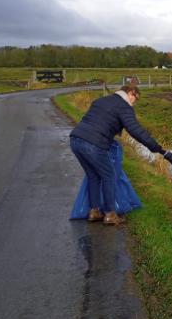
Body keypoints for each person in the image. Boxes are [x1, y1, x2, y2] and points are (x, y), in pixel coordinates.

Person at [70, 85, 165, 225]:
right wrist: (154, 146)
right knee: (109, 176)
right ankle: (110, 214)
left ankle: (94, 212)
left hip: (75, 140)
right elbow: (135, 130)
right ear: (131, 93)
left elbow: (95, 121)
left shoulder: (101, 100)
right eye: (135, 99)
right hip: (93, 144)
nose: (134, 103)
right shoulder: (124, 107)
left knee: (93, 176)